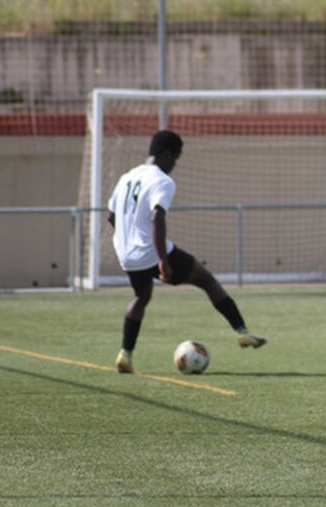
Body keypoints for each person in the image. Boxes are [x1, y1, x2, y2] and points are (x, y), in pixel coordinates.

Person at [107, 129, 266, 373]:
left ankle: (124, 355)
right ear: (165, 153)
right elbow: (157, 217)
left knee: (141, 296)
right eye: (175, 158)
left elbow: (111, 216)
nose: (175, 164)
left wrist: (126, 240)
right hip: (151, 251)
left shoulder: (126, 177)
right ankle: (242, 332)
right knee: (206, 279)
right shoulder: (162, 180)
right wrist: (163, 261)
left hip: (127, 255)